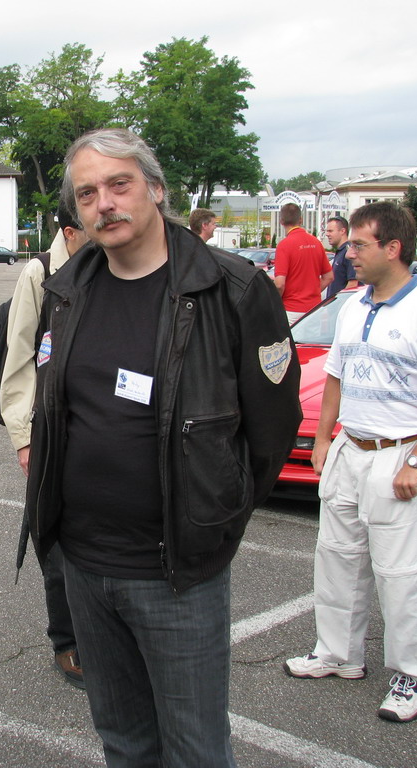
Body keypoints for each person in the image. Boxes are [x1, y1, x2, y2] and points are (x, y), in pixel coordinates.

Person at [25, 127, 301, 767]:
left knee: (195, 749)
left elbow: (272, 431)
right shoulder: (66, 290)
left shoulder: (232, 290)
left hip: (175, 571)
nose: (104, 204)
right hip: (83, 565)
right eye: (87, 193)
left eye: (119, 184)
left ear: (155, 189)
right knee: (123, 741)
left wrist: (215, 513)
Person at [285, 201, 417, 723]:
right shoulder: (353, 305)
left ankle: (411, 676)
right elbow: (336, 377)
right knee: (337, 558)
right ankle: (338, 655)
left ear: (393, 248)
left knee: (401, 573)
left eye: (358, 244)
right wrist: (324, 440)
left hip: (398, 459)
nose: (349, 253)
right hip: (351, 451)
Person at [0, 200, 89, 688]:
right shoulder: (40, 274)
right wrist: (24, 438)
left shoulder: (108, 263)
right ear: (70, 231)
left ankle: (103, 636)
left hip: (99, 430)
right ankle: (67, 642)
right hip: (50, 432)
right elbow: (17, 359)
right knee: (54, 543)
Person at [274, 203, 332, 322]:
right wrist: (313, 292)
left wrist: (274, 302)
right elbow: (329, 277)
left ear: (281, 221)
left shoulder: (284, 245)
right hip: (314, 309)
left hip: (291, 309)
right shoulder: (316, 243)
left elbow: (279, 284)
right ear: (300, 220)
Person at [325, 215, 358, 297]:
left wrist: (339, 303)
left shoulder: (349, 252)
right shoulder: (340, 252)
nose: (327, 234)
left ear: (342, 231)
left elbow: (353, 284)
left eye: (330, 231)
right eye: (327, 231)